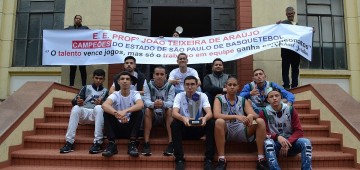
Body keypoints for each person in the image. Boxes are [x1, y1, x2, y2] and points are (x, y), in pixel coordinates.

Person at [213, 76, 268, 170]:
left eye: (234, 85)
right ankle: (221, 159)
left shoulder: (242, 100)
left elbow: (255, 115)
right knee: (219, 121)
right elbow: (216, 115)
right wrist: (236, 116)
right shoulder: (219, 99)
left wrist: (250, 116)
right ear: (226, 86)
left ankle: (261, 158)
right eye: (229, 85)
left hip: (241, 129)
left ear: (238, 87)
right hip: (226, 129)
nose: (232, 87)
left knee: (260, 121)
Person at [260, 87, 312, 170]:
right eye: (271, 96)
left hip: (291, 145)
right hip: (275, 145)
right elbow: (265, 132)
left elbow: (299, 131)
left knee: (306, 142)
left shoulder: (290, 109)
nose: (274, 98)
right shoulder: (264, 112)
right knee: (268, 143)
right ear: (268, 100)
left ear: (281, 97)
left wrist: (287, 142)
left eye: (277, 95)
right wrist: (277, 137)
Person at [60, 69, 109, 154]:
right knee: (75, 108)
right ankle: (69, 142)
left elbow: (109, 106)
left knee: (99, 108)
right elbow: (74, 101)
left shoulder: (106, 91)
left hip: (97, 116)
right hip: (84, 114)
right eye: (96, 78)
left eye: (100, 78)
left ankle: (98, 143)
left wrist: (102, 103)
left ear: (103, 79)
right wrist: (78, 102)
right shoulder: (86, 88)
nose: (98, 80)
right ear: (92, 78)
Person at [171, 76, 215, 170]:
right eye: (187, 84)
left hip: (198, 127)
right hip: (185, 128)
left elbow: (210, 113)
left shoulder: (201, 95)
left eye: (192, 84)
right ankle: (179, 160)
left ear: (196, 85)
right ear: (183, 86)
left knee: (211, 122)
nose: (190, 87)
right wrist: (184, 118)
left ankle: (209, 160)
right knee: (174, 123)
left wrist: (204, 118)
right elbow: (174, 113)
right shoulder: (179, 95)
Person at [101, 71, 144, 157]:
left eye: (127, 79)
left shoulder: (135, 94)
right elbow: (104, 105)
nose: (125, 81)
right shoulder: (115, 94)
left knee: (139, 112)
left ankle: (132, 143)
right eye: (122, 79)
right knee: (107, 112)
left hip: (130, 128)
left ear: (131, 82)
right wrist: (117, 114)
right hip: (117, 128)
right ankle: (112, 144)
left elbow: (140, 104)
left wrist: (125, 111)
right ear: (118, 82)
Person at [142, 66, 176, 156]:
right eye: (157, 74)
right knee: (147, 110)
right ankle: (146, 143)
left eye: (162, 74)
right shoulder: (148, 85)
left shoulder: (170, 86)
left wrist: (163, 104)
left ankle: (171, 143)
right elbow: (146, 101)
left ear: (166, 76)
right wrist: (154, 104)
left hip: (165, 114)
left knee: (170, 110)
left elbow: (171, 102)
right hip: (153, 114)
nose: (159, 76)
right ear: (153, 75)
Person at [277, 7, 302, 89]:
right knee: (285, 69)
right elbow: (276, 31)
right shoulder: (283, 23)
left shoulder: (297, 25)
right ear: (286, 14)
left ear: (294, 13)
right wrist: (277, 25)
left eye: (291, 13)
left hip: (296, 51)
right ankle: (286, 85)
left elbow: (304, 34)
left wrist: (311, 31)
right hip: (286, 51)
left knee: (295, 69)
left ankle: (295, 85)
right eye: (288, 14)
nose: (290, 15)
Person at [66, 15, 89, 87]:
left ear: (81, 20)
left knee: (82, 69)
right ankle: (71, 85)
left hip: (82, 52)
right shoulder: (69, 29)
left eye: (80, 19)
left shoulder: (85, 29)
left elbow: (92, 35)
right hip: (72, 52)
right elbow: (61, 35)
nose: (78, 19)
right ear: (74, 19)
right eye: (77, 18)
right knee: (72, 69)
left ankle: (84, 85)